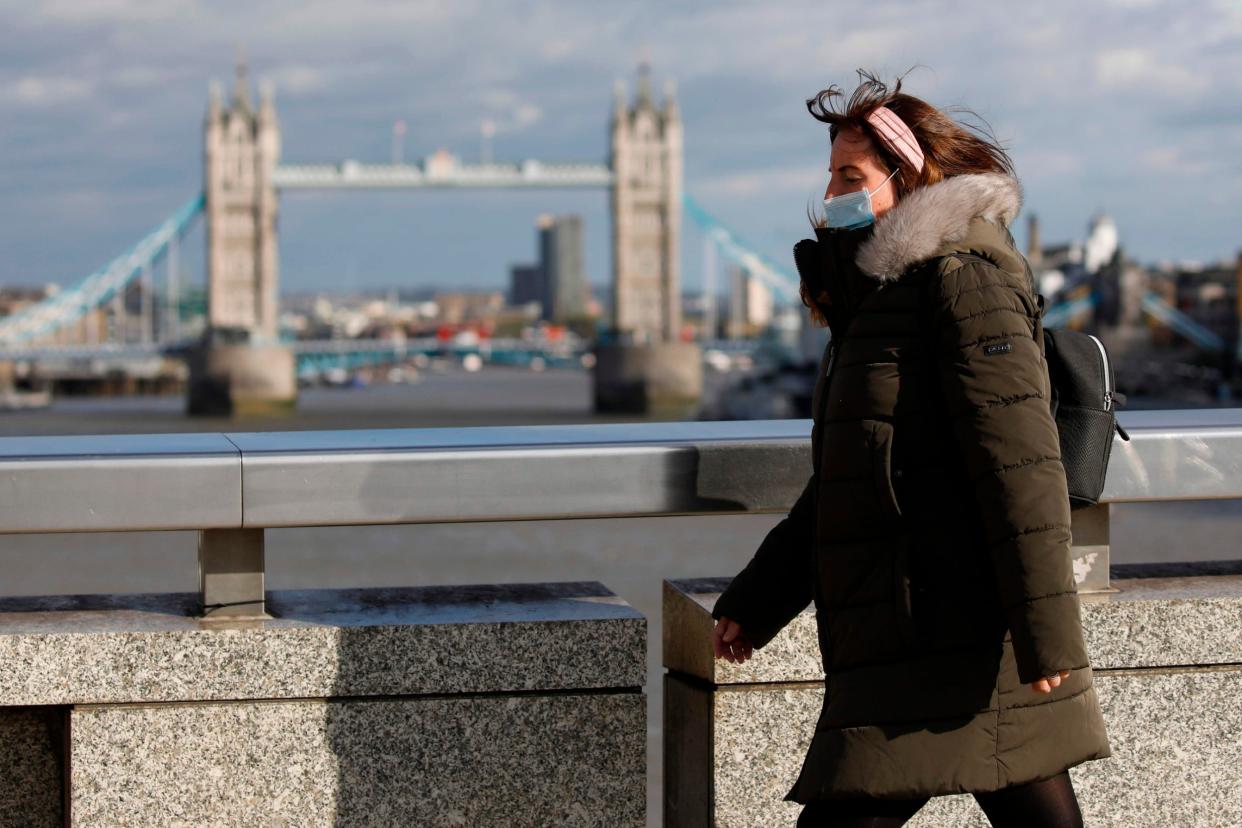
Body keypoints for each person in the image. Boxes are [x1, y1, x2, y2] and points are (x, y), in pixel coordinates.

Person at [709, 71, 1111, 827]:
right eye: (831, 175)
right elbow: (853, 478)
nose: (831, 192)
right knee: (1028, 795)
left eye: (849, 175)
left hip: (947, 619)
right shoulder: (883, 299)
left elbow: (1019, 464)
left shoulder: (966, 282)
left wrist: (1049, 637)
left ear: (909, 174)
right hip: (916, 616)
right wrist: (759, 601)